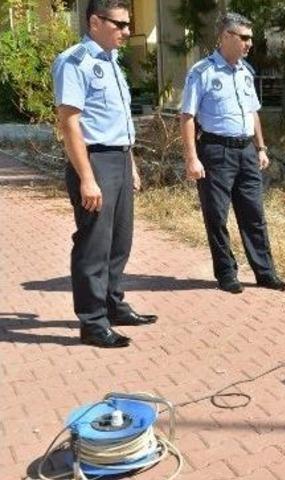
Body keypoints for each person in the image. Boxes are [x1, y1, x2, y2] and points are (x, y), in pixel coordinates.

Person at [52, 0, 157, 349]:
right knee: (93, 244)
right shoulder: (75, 62)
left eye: (128, 25)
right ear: (95, 21)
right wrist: (86, 177)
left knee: (119, 241)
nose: (127, 31)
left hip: (119, 159)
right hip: (95, 162)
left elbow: (118, 124)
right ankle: (93, 322)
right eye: (120, 24)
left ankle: (113, 304)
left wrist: (131, 164)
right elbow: (70, 124)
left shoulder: (112, 62)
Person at [179, 12, 285, 294]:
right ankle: (227, 273)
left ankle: (265, 272)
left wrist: (260, 147)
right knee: (216, 215)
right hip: (216, 151)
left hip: (246, 152)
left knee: (254, 214)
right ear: (226, 37)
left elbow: (253, 112)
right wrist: (192, 158)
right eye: (244, 38)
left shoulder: (245, 72)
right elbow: (187, 116)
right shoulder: (202, 72)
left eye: (250, 38)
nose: (250, 44)